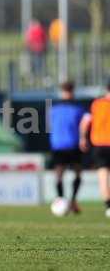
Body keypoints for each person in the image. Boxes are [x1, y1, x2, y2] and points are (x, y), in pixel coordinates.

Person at [49, 82, 85, 214]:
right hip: (61, 144)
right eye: (66, 91)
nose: (68, 93)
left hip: (72, 144)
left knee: (77, 173)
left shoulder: (77, 109)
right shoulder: (56, 109)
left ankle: (73, 201)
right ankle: (62, 200)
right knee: (59, 174)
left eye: (69, 91)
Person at [80, 80, 110, 217]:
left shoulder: (96, 104)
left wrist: (83, 138)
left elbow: (85, 122)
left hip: (99, 145)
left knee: (103, 176)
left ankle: (108, 207)